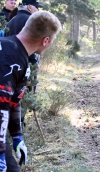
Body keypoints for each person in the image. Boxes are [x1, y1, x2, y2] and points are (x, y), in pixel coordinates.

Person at [0, 10, 62, 172]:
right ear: (46, 40)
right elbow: (1, 109)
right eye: (53, 40)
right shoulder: (9, 61)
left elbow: (14, 102)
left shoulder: (22, 61)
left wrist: (17, 137)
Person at [6, 0, 44, 94]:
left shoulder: (10, 22)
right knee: (26, 95)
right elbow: (30, 43)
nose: (38, 10)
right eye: (36, 7)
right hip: (26, 65)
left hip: (10, 67)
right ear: (29, 7)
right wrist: (34, 62)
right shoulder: (31, 21)